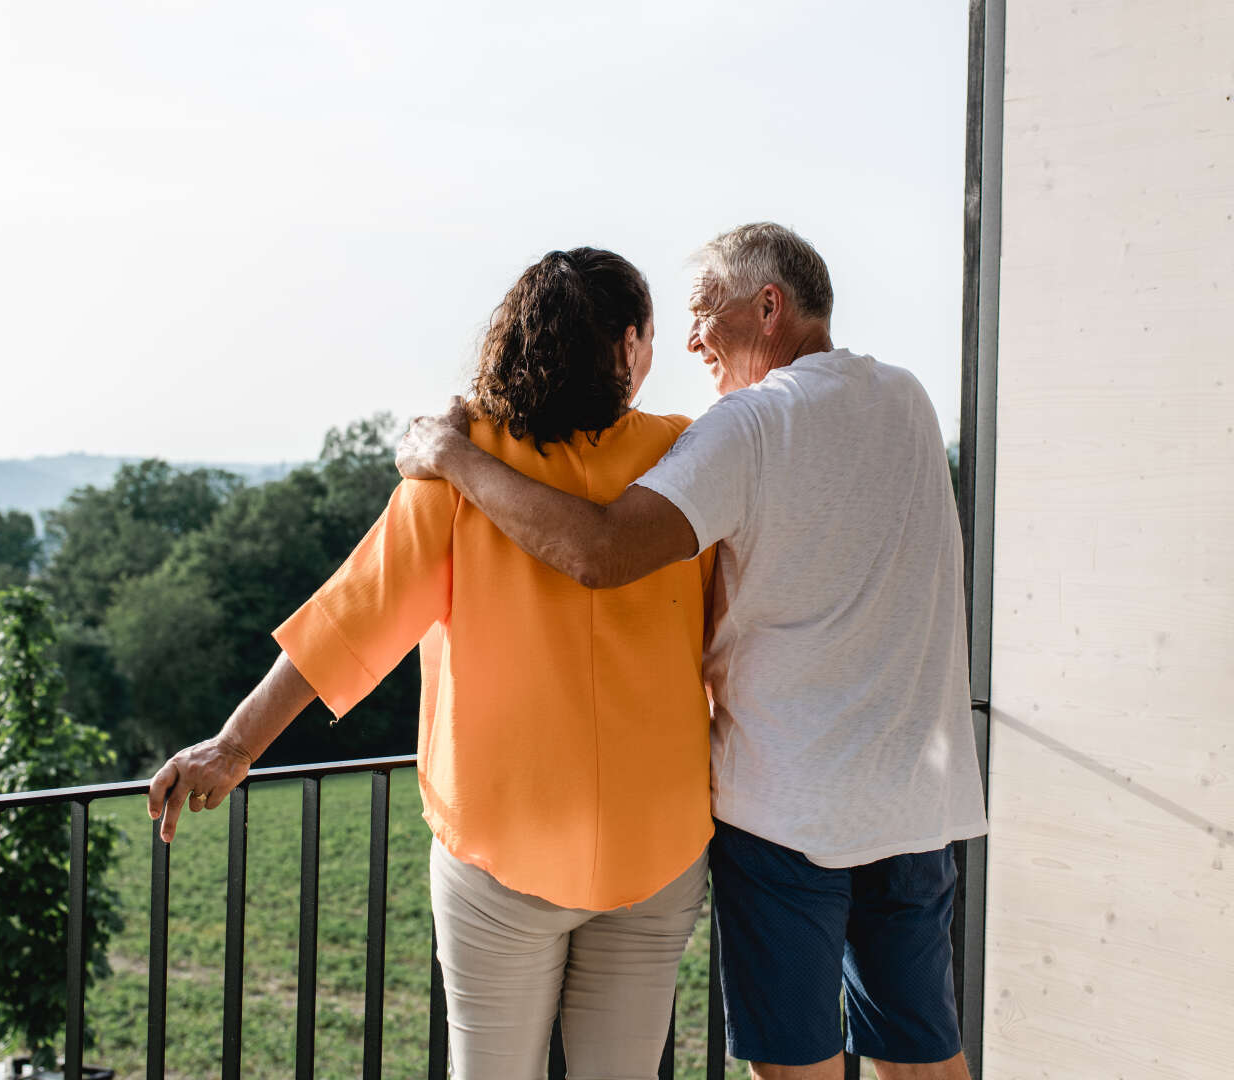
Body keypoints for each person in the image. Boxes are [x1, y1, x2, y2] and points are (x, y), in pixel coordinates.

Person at [396, 223, 989, 1080]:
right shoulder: (906, 398)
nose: (690, 339)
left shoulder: (748, 425)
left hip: (789, 812)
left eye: (704, 312)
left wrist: (453, 455)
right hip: (913, 805)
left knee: (796, 1067)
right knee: (926, 1059)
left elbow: (600, 551)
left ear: (769, 305)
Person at [146, 248, 718, 1080]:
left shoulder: (452, 467)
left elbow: (351, 618)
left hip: (501, 845)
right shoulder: (688, 458)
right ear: (631, 346)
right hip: (656, 845)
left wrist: (233, 747)